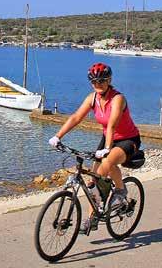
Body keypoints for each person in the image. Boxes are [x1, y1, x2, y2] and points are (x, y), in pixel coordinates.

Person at [49, 62, 141, 234]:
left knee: (107, 162)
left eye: (102, 81)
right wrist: (57, 136)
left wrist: (107, 148)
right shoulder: (92, 98)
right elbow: (76, 117)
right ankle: (92, 218)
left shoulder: (118, 98)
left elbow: (112, 125)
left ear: (109, 80)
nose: (98, 85)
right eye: (94, 82)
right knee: (94, 181)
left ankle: (121, 191)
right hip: (107, 139)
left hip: (128, 140)